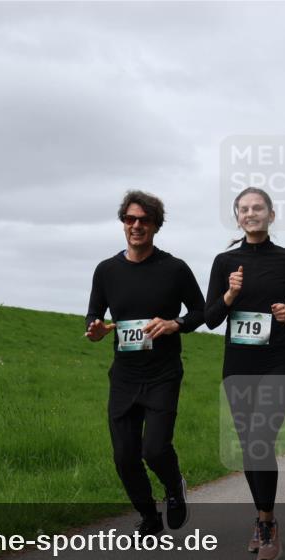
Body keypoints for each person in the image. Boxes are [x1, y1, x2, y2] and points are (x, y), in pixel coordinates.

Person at [206, 186, 285, 560]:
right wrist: (229, 295)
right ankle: (265, 517)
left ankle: (266, 525)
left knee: (261, 437)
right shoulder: (224, 262)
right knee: (249, 446)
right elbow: (210, 318)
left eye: (258, 208)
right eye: (244, 209)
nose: (251, 213)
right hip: (238, 364)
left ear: (271, 216)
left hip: (279, 361)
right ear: (237, 216)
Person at [86, 190, 205, 538]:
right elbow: (95, 314)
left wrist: (174, 324)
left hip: (162, 373)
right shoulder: (106, 270)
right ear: (123, 223)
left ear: (156, 225)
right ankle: (148, 517)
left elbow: (200, 312)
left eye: (144, 220)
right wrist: (95, 330)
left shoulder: (175, 269)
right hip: (124, 375)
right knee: (124, 456)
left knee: (154, 449)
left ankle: (173, 486)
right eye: (130, 219)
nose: (136, 226)